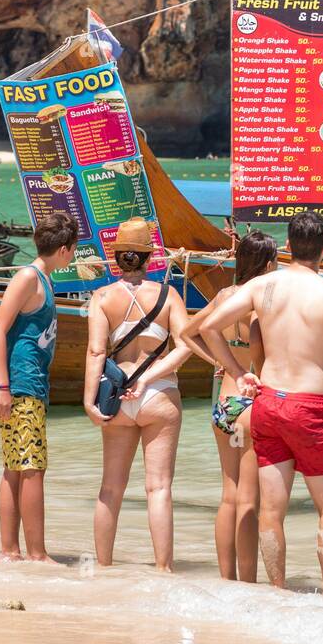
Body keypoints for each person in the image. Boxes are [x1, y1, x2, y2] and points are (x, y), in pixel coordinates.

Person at [199, 211, 323, 599]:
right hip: (310, 408)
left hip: (269, 404)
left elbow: (209, 327)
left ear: (289, 247)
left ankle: (276, 594)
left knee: (271, 511)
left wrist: (236, 370)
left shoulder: (264, 286)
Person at [0, 212, 77, 561]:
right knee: (32, 469)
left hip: (24, 383)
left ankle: (12, 553)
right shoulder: (28, 277)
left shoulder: (44, 279)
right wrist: (1, 386)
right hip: (21, 385)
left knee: (17, 467)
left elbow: (1, 333)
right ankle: (36, 555)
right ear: (65, 250)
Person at [82, 218, 196, 572]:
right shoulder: (168, 295)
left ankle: (103, 567)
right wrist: (152, 378)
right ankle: (163, 570)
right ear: (150, 259)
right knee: (158, 488)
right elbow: (186, 345)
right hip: (159, 394)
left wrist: (88, 400)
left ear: (116, 259)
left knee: (110, 489)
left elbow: (96, 353)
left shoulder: (101, 298)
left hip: (116, 397)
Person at [183, 230, 278, 581]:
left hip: (225, 402)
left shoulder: (225, 295)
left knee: (229, 495)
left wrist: (218, 362)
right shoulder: (262, 300)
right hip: (253, 404)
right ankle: (249, 584)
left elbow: (188, 333)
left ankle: (227, 580)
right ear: (268, 264)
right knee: (250, 501)